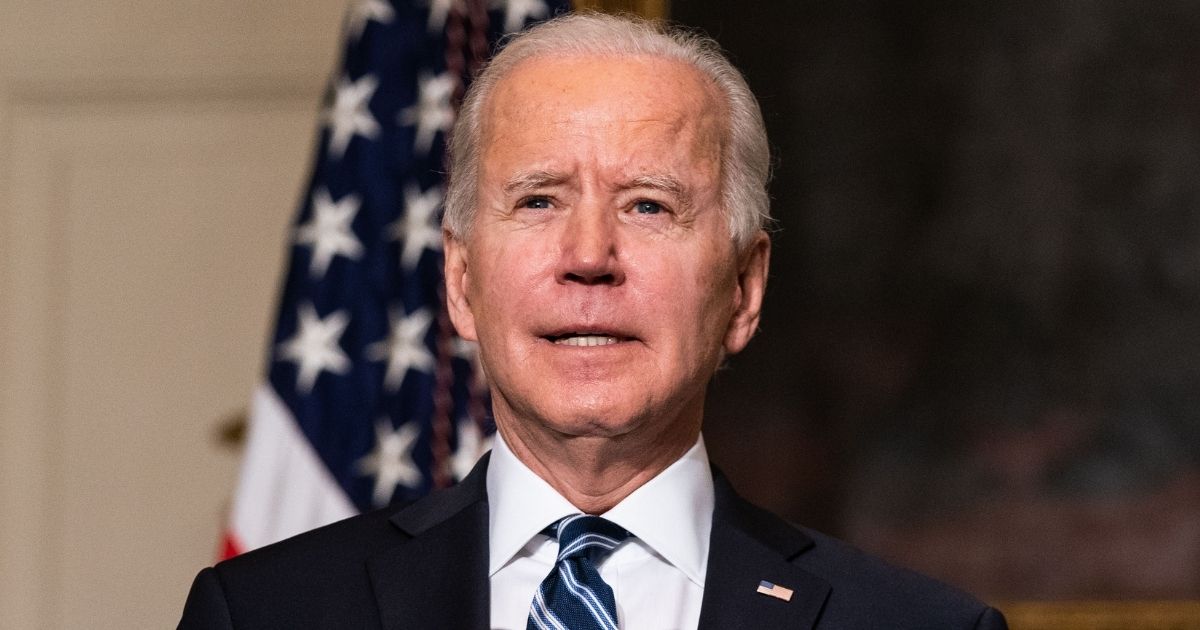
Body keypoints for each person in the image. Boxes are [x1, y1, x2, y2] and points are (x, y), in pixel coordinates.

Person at [179, 12, 1007, 629]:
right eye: (538, 201)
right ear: (462, 282)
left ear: (745, 291)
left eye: (649, 205)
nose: (589, 255)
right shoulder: (264, 614)